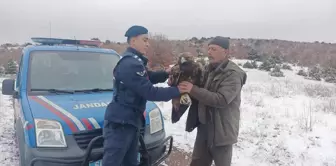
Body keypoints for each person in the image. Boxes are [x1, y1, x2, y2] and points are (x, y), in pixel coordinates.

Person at [103, 25, 182, 166]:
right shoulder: (130, 64)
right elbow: (150, 92)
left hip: (130, 122)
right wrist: (178, 90)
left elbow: (147, 76)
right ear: (133, 41)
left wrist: (166, 73)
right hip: (121, 124)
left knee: (130, 162)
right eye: (145, 40)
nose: (148, 44)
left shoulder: (135, 61)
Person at [178, 36, 247, 166]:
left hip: (222, 132)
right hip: (204, 129)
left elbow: (221, 99)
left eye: (214, 49)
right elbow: (196, 87)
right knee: (198, 162)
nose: (209, 52)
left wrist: (193, 90)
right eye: (208, 49)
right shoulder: (207, 69)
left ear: (225, 52)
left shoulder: (233, 74)